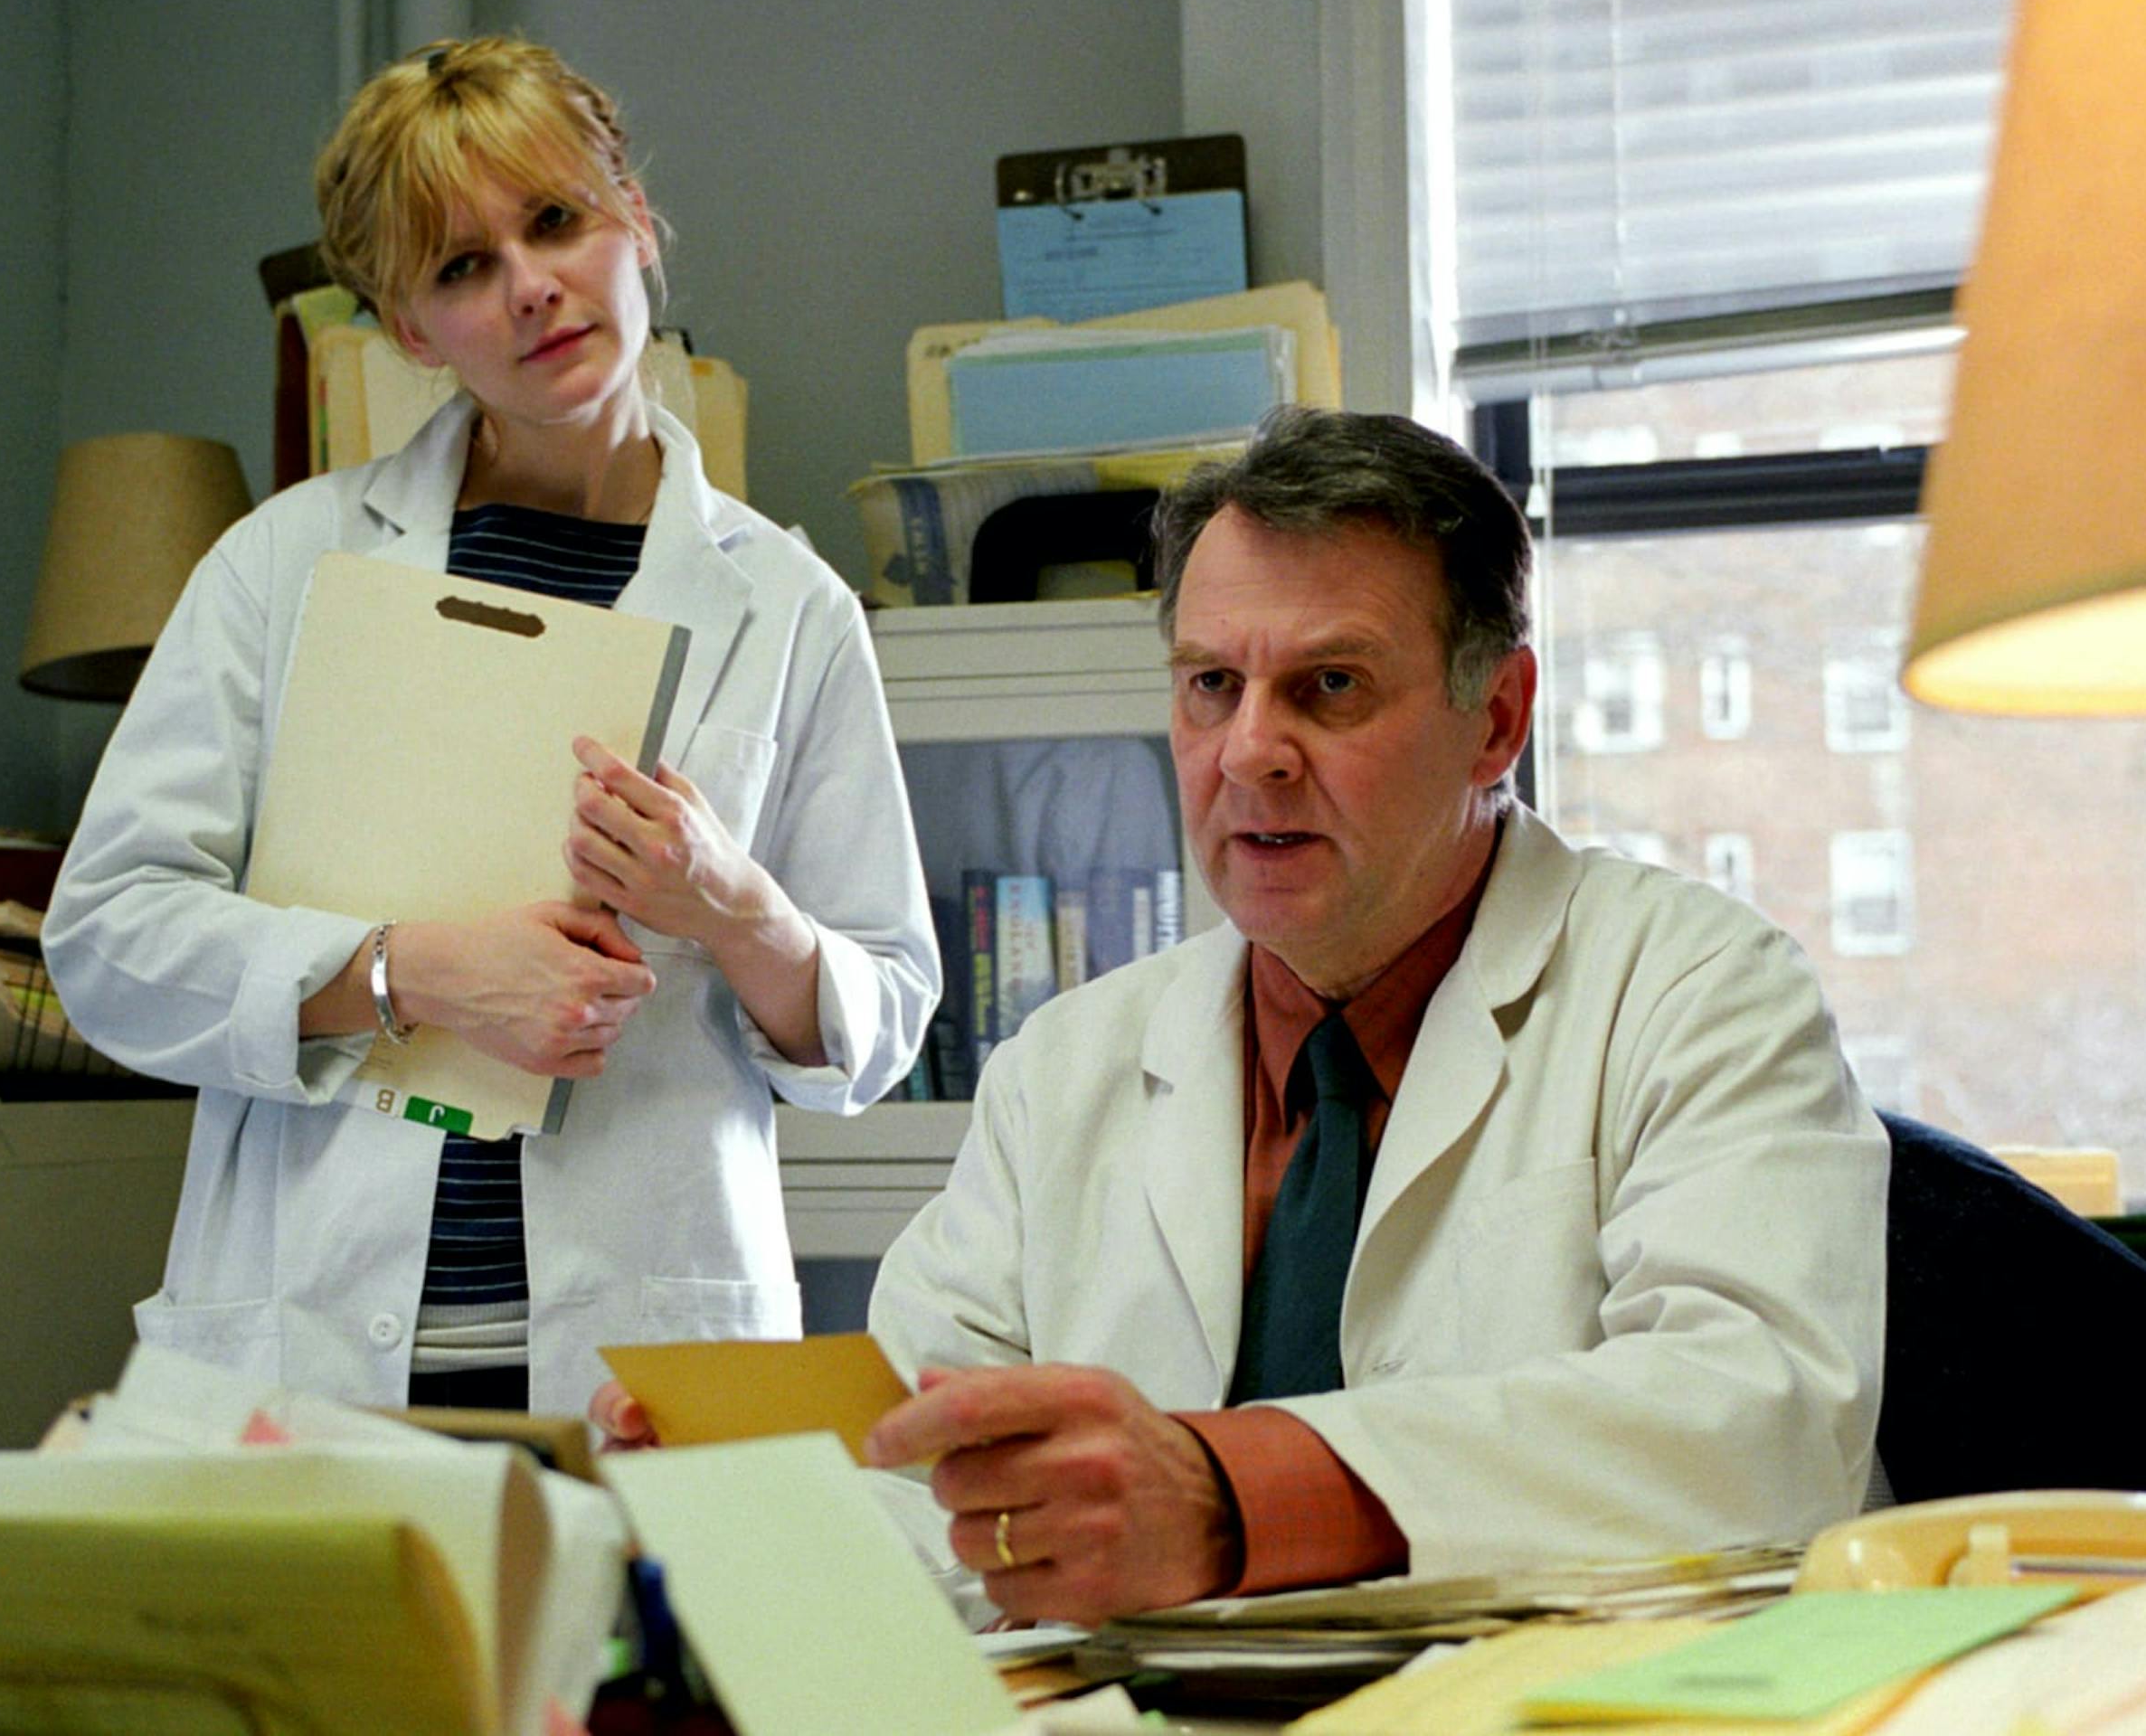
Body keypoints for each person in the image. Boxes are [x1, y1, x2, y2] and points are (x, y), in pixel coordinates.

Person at [595, 406, 1885, 1625]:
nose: (1249, 752)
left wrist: (1226, 1496)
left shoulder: (1698, 991)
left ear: (1494, 720)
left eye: (1328, 688)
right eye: (1210, 684)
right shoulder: (1069, 1064)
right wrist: (738, 1503)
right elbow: (928, 1467)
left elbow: (1759, 1423)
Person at [43, 36, 939, 1417]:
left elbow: (879, 1019)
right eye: (460, 269)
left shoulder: (787, 605)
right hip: (317, 1352)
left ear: (634, 219)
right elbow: (107, 939)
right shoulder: (287, 568)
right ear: (408, 332)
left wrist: (734, 908)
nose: (529, 287)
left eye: (555, 222)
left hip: (648, 1359)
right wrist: (414, 974)